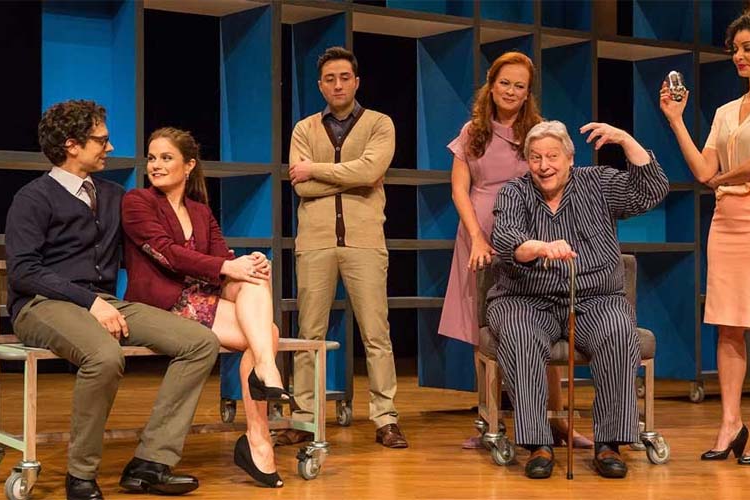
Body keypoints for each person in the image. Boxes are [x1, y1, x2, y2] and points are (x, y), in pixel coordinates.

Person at [5, 100, 220, 500]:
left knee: (200, 342)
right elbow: (24, 271)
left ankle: (150, 463)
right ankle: (80, 475)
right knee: (104, 356)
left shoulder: (113, 195)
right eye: (101, 140)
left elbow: (159, 244)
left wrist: (227, 268)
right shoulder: (33, 198)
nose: (110, 146)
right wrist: (89, 302)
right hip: (40, 305)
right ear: (72, 145)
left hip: (103, 301)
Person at [660, 5, 750, 465]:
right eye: (735, 49)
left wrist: (722, 180)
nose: (739, 56)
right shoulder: (725, 112)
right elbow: (704, 168)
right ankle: (730, 423)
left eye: (748, 48)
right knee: (727, 324)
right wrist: (676, 119)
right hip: (726, 221)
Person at [488, 120, 668, 479]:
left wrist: (624, 139)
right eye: (536, 158)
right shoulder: (514, 192)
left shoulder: (597, 183)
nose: (544, 166)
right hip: (525, 297)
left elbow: (650, 191)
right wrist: (538, 247)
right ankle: (538, 444)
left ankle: (609, 444)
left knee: (618, 331)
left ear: (570, 158)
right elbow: (506, 239)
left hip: (595, 298)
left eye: (552, 156)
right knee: (520, 335)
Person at [438, 51, 592, 449]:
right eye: (504, 83)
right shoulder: (472, 132)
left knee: (544, 323)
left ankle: (557, 423)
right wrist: (477, 237)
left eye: (519, 86)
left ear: (527, 93)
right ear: (491, 85)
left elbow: (557, 180)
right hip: (478, 234)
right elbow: (459, 189)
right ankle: (490, 424)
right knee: (484, 334)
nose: (510, 91)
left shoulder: (538, 132)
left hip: (530, 235)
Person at [121, 127, 286, 488]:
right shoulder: (137, 202)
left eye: (166, 158)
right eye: (152, 158)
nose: (155, 165)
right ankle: (259, 431)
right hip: (161, 304)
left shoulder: (199, 211)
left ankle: (259, 430)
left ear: (189, 165)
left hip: (203, 299)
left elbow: (221, 257)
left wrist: (249, 263)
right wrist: (229, 266)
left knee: (255, 279)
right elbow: (168, 253)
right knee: (267, 335)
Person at [284, 46, 407, 448]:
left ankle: (385, 418)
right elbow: (301, 187)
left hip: (365, 241)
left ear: (356, 82)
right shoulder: (304, 129)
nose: (337, 85)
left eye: (344, 77)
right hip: (315, 241)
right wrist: (352, 178)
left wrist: (317, 170)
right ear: (320, 85)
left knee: (376, 334)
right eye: (329, 79)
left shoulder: (379, 123)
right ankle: (304, 417)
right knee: (309, 334)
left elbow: (371, 171)